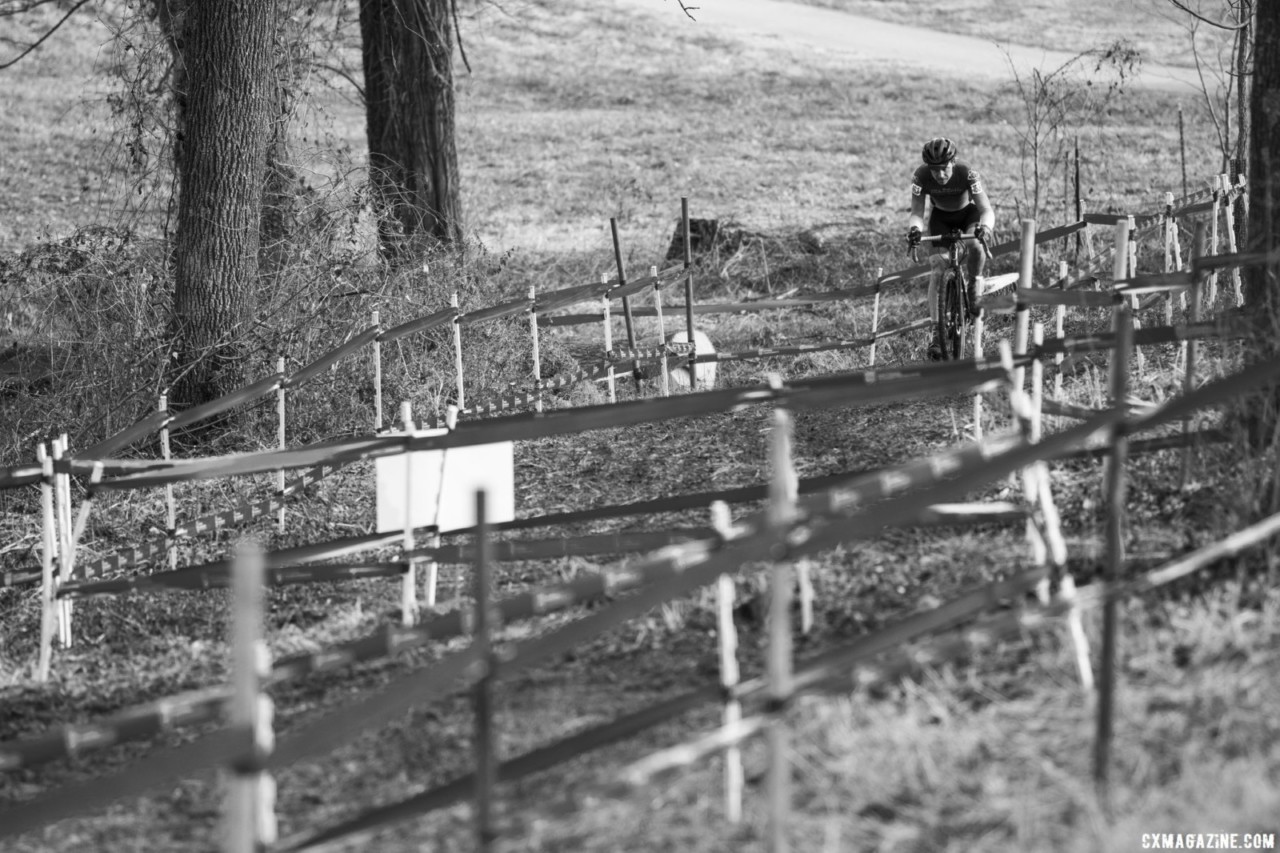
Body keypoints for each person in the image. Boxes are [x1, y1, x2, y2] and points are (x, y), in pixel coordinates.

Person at [905, 137, 996, 358]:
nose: (940, 175)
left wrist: (985, 228)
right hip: (940, 219)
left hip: (968, 214)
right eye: (934, 170)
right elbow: (917, 212)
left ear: (953, 162)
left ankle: (974, 285)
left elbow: (986, 209)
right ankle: (937, 333)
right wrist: (915, 230)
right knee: (937, 268)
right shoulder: (920, 176)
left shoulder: (967, 173)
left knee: (974, 244)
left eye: (944, 169)